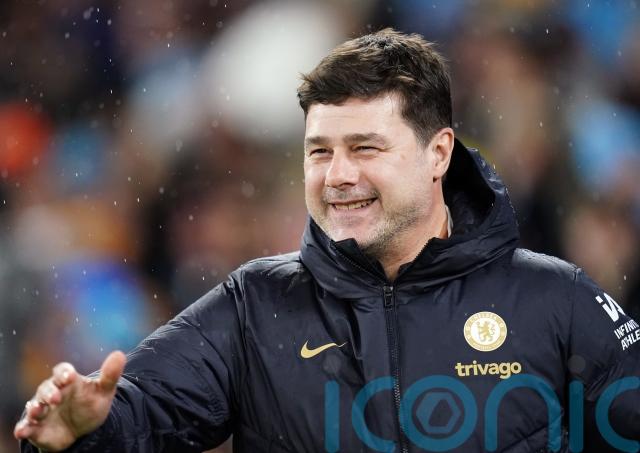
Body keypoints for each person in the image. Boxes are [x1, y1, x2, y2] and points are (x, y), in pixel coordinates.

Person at [14, 28, 640, 453]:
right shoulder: (254, 306)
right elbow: (141, 412)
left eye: (364, 148)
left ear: (438, 153)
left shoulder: (556, 299)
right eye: (320, 152)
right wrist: (84, 432)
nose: (337, 175)